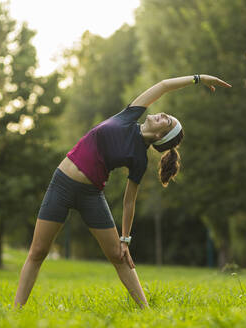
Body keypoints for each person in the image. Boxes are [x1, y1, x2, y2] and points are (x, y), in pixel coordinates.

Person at [14, 74, 232, 309]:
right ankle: (16, 312)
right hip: (62, 184)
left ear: (160, 136)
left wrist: (125, 239)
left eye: (166, 121)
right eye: (166, 115)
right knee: (37, 251)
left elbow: (129, 202)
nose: (162, 115)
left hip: (91, 196)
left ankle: (146, 311)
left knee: (119, 256)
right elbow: (164, 86)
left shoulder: (139, 159)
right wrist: (199, 78)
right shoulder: (130, 115)